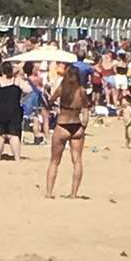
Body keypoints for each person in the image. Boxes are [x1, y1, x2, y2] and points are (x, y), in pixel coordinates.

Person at [45, 65, 88, 200]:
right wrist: (84, 125)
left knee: (54, 161)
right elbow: (86, 109)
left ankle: (49, 192)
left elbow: (50, 101)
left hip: (62, 124)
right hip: (76, 125)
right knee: (77, 161)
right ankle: (74, 193)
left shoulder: (62, 89)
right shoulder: (81, 91)